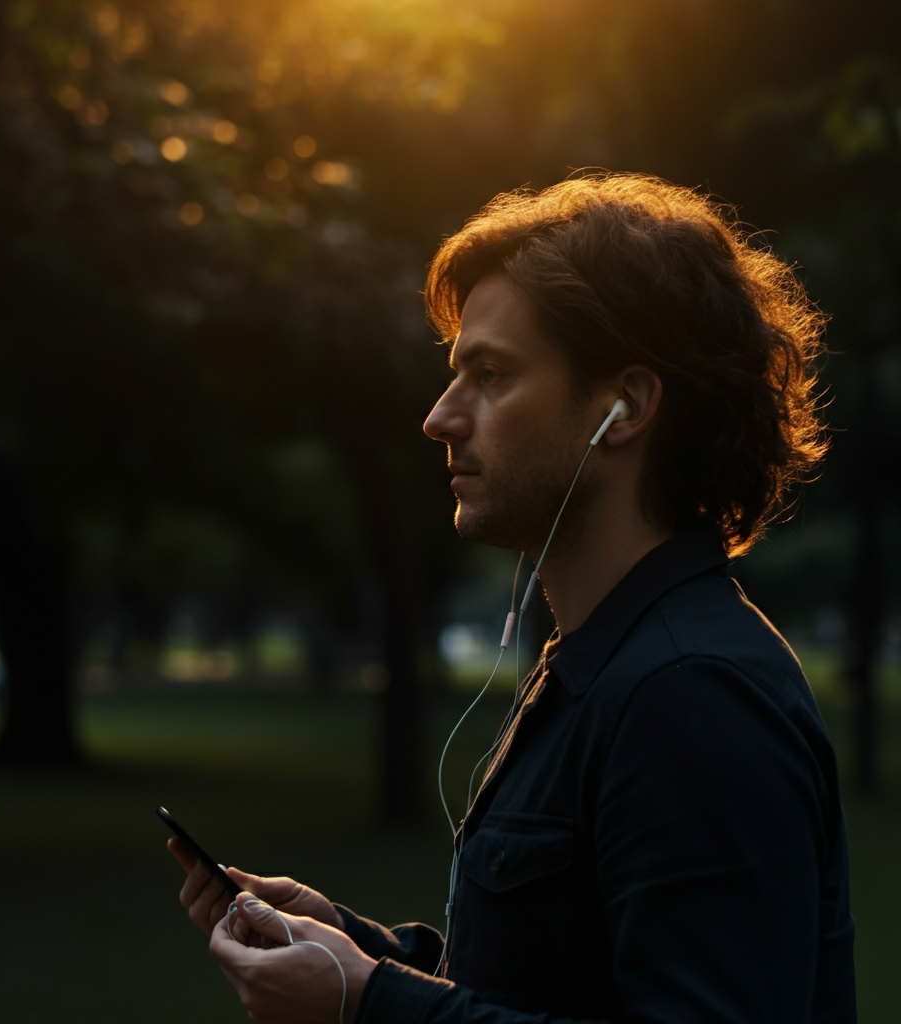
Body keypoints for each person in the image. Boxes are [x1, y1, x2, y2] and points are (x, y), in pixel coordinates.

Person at [168, 173, 857, 1024]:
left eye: (490, 374)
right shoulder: (600, 665)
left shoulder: (691, 693)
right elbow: (544, 985)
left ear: (625, 406)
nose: (439, 418)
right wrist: (348, 948)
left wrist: (367, 1005)